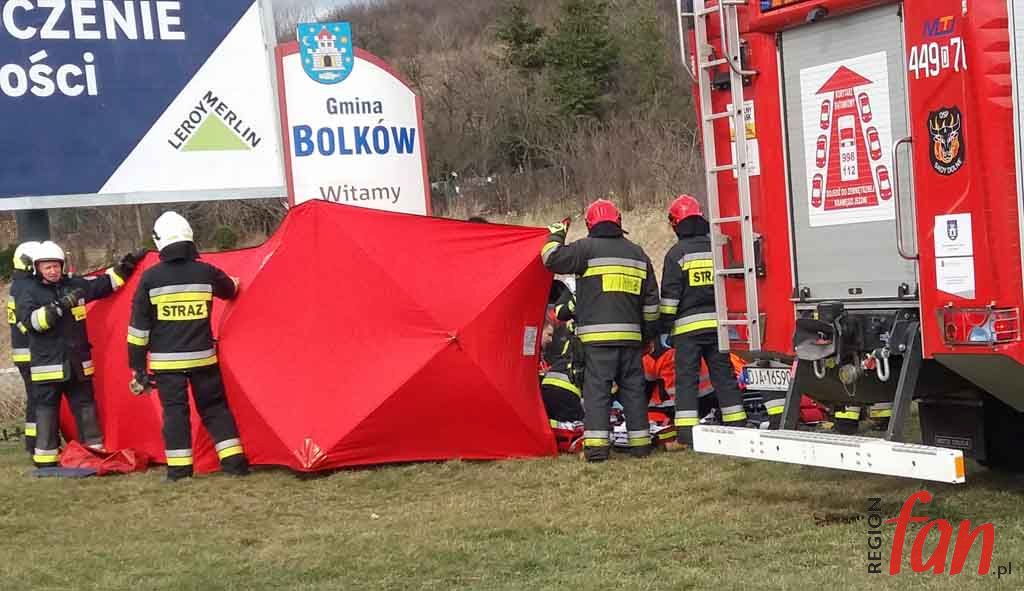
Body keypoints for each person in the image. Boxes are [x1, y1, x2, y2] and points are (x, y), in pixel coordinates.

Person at [127, 211, 249, 481]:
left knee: (175, 414)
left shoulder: (150, 278)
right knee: (215, 408)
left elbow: (138, 330)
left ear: (159, 241)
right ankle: (235, 463)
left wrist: (137, 368)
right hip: (203, 359)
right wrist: (235, 283)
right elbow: (230, 290)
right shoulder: (205, 271)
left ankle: (179, 471)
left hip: (166, 364)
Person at [541, 199, 660, 461]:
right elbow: (652, 303)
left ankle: (596, 450)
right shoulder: (639, 254)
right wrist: (649, 336)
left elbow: (551, 258)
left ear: (589, 224)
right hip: (631, 340)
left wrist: (556, 234)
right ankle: (641, 447)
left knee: (597, 392)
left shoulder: (585, 249)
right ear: (619, 222)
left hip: (596, 341)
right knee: (633, 391)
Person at [18, 241, 140, 467]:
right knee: (46, 410)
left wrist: (127, 267)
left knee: (86, 407)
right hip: (48, 366)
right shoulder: (29, 292)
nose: (53, 271)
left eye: (56, 266)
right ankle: (45, 458)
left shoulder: (76, 285)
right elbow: (30, 322)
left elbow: (105, 285)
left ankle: (94, 451)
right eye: (47, 267)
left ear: (62, 266)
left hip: (77, 363)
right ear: (38, 269)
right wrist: (59, 306)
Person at [659, 194, 761, 448]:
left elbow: (670, 300)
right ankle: (737, 425)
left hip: (688, 330)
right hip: (720, 325)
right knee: (724, 375)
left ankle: (686, 436)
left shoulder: (676, 254)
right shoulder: (717, 248)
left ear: (676, 223)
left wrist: (663, 327)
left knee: (686, 380)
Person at [8, 241, 39, 453]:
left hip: (24, 352)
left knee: (35, 399)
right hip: (30, 352)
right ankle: (36, 444)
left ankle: (36, 441)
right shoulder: (25, 287)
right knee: (38, 400)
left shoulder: (18, 285)